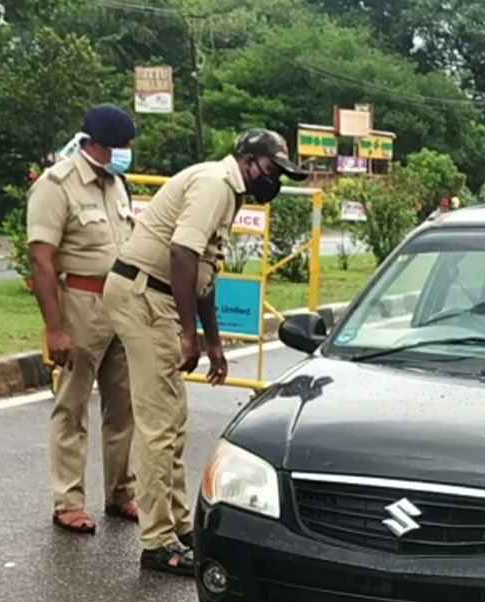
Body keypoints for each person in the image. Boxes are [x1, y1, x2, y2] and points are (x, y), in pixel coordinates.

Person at [104, 128, 304, 576]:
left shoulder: (230, 191)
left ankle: (176, 525)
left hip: (156, 295)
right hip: (144, 294)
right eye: (272, 170)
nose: (275, 181)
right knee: (159, 423)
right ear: (249, 161)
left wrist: (213, 342)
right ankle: (157, 542)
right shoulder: (216, 183)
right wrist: (188, 335)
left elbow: (204, 274)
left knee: (173, 419)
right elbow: (180, 254)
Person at [29, 104, 140, 535]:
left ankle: (121, 492)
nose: (125, 154)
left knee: (123, 405)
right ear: (93, 144)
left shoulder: (117, 185)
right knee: (72, 405)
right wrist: (55, 328)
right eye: (120, 147)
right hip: (80, 303)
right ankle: (68, 500)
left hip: (120, 306)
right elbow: (41, 260)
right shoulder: (56, 186)